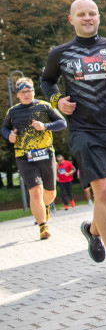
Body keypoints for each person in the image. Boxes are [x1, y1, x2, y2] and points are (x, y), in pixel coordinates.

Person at [41, 0, 106, 279]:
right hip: (84, 130)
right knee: (104, 192)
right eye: (81, 14)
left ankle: (92, 230)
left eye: (91, 13)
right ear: (72, 20)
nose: (87, 18)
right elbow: (47, 81)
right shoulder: (60, 53)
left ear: (98, 17)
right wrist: (57, 100)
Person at [2, 79, 66, 239]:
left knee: (50, 194)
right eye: (23, 92)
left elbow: (62, 123)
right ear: (17, 95)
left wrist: (45, 126)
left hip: (45, 154)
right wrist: (9, 136)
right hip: (23, 156)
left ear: (33, 91)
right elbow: (4, 128)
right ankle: (43, 227)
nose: (26, 94)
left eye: (29, 90)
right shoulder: (12, 112)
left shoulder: (44, 106)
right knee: (35, 190)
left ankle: (45, 207)